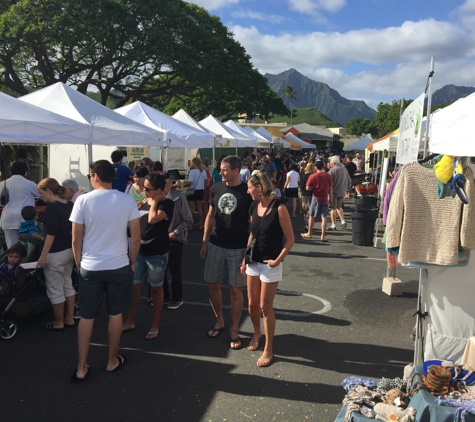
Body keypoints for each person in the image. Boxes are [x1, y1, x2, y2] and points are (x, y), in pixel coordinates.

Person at [70, 160, 141, 381]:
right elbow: (136, 238)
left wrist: (78, 262)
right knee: (115, 313)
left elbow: (75, 238)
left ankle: (81, 367)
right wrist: (131, 261)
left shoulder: (82, 200)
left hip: (90, 266)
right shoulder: (127, 200)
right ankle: (111, 360)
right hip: (119, 264)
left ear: (95, 176)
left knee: (87, 316)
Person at [241, 172, 294, 367]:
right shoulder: (254, 206)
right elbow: (252, 234)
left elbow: (290, 240)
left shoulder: (279, 208)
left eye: (250, 188)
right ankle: (257, 332)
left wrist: (278, 260)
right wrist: (244, 259)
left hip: (270, 264)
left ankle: (269, 348)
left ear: (260, 188)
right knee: (252, 305)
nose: (248, 192)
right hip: (253, 262)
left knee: (265, 306)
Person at [200, 155, 253, 350]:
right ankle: (219, 321)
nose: (220, 172)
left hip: (238, 247)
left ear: (236, 170)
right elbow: (209, 215)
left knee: (235, 290)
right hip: (215, 244)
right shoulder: (216, 188)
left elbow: (253, 222)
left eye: (224, 169)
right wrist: (204, 242)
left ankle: (234, 329)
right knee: (213, 285)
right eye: (220, 169)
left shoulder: (247, 191)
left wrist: (248, 251)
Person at [123, 174, 174, 340]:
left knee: (156, 288)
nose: (143, 191)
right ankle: (130, 321)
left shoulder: (166, 203)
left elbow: (152, 219)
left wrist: (156, 201)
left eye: (147, 189)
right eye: (143, 187)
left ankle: (155, 325)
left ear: (159, 190)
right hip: (139, 251)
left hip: (157, 253)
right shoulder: (143, 201)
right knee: (134, 286)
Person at [37, 178, 75, 331]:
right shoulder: (70, 204)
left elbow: (51, 233)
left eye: (41, 192)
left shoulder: (52, 207)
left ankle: (58, 322)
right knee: (68, 284)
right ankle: (69, 318)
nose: (40, 196)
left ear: (48, 190)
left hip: (55, 252)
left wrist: (43, 254)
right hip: (69, 250)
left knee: (55, 288)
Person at [162, 172, 193, 310]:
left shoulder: (179, 198)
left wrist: (175, 232)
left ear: (171, 184)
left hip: (174, 239)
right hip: (158, 239)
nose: (164, 187)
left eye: (166, 184)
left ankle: (177, 298)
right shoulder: (154, 198)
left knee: (174, 270)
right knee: (159, 270)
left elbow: (188, 220)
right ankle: (163, 297)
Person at [0, 161, 39, 248]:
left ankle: (13, 261)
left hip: (8, 218)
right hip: (26, 218)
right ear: (25, 171)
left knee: (12, 248)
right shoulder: (30, 184)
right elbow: (40, 194)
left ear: (11, 171)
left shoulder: (4, 183)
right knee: (28, 247)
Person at [301, 160, 333, 241]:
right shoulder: (327, 176)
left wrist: (313, 188)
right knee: (324, 217)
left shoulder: (312, 176)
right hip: (325, 198)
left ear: (315, 167)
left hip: (316, 197)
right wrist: (330, 199)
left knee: (311, 216)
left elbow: (307, 187)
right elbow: (330, 188)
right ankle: (322, 236)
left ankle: (309, 233)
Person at [328, 156, 351, 231]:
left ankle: (333, 225)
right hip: (342, 191)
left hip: (334, 192)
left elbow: (328, 182)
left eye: (330, 162)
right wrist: (346, 189)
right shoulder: (344, 169)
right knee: (339, 206)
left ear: (333, 163)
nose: (330, 164)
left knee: (332, 208)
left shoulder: (332, 170)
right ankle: (343, 221)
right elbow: (349, 180)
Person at [184, 157, 207, 230]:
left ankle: (190, 226)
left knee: (190, 209)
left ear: (194, 163)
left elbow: (190, 182)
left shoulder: (192, 171)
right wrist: (204, 191)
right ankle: (200, 225)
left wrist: (184, 185)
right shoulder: (203, 171)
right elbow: (205, 182)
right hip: (200, 191)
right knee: (200, 208)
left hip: (192, 191)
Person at [299, 162, 315, 228]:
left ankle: (306, 222)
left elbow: (301, 185)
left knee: (305, 209)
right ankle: (309, 222)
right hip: (312, 194)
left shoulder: (303, 175)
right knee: (311, 209)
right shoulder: (314, 176)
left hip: (304, 194)